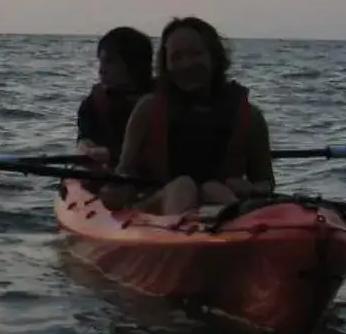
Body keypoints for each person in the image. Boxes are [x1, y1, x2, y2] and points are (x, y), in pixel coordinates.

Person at [114, 16, 273, 214]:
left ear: (214, 57)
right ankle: (180, 237)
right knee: (183, 186)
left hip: (220, 203)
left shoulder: (251, 117)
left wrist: (251, 188)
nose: (187, 64)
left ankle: (233, 221)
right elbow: (124, 173)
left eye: (196, 54)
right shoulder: (148, 110)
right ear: (166, 65)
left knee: (213, 189)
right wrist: (117, 189)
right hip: (159, 206)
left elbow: (265, 183)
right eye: (176, 57)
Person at [75, 26, 154, 170]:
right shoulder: (92, 103)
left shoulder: (160, 101)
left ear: (134, 65)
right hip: (108, 174)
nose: (101, 69)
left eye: (110, 61)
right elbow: (85, 136)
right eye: (101, 61)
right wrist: (85, 148)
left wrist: (112, 154)